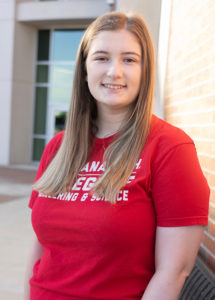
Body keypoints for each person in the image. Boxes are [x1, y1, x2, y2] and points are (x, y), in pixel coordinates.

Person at [24, 11, 210, 300]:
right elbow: (40, 248)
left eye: (129, 59)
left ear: (145, 69)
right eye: (101, 58)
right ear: (84, 70)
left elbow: (173, 273)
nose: (114, 72)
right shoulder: (58, 148)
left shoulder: (170, 149)